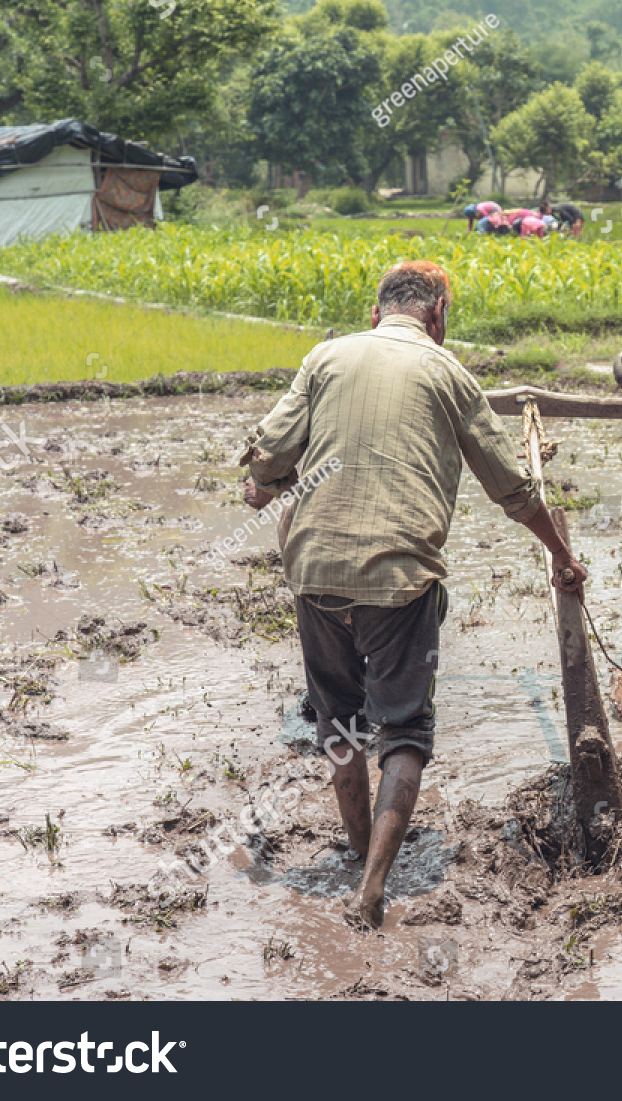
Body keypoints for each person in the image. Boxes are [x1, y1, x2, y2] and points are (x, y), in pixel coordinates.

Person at [238, 261, 589, 930]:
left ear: (375, 313)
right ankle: (373, 887)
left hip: (313, 573)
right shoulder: (449, 373)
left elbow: (267, 459)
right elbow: (513, 487)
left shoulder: (325, 357)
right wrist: (562, 554)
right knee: (403, 731)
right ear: (438, 317)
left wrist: (264, 486)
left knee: (338, 721)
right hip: (399, 582)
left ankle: (354, 847)